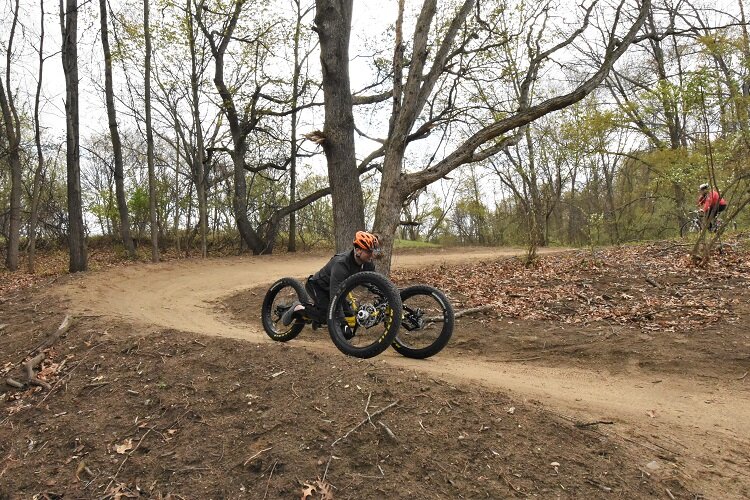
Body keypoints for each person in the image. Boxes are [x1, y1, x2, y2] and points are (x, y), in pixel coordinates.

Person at [281, 231, 381, 336]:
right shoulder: (341, 264)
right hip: (318, 286)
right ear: (358, 250)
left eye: (373, 251)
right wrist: (343, 323)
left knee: (350, 315)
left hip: (336, 290)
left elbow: (375, 283)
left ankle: (316, 317)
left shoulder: (367, 264)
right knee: (328, 315)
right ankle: (298, 308)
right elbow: (335, 296)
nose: (372, 255)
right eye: (369, 252)